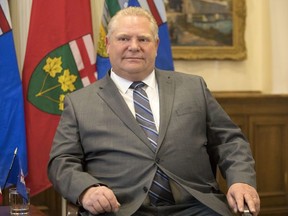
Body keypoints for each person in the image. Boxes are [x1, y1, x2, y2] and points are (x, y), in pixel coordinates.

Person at [47, 7, 260, 216]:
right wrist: (86, 190)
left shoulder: (193, 87)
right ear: (108, 44)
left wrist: (241, 180)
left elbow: (230, 140)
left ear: (156, 45)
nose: (134, 46)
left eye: (143, 39)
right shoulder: (79, 103)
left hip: (196, 206)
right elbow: (61, 161)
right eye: (123, 39)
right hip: (120, 209)